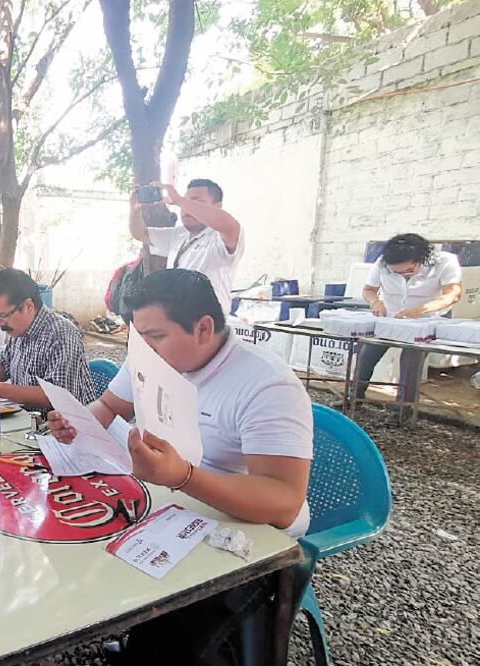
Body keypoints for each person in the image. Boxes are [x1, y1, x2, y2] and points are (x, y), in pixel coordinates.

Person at [47, 269, 313, 665]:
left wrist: (182, 477)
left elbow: (283, 501)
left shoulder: (266, 385)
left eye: (156, 336)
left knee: (172, 638)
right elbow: (106, 407)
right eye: (140, 338)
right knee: (74, 546)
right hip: (171, 502)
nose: (145, 349)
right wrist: (76, 423)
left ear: (204, 328)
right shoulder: (150, 357)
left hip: (251, 536)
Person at [0, 268, 93, 409]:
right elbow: (4, 366)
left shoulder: (62, 334)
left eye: (3, 316)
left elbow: (58, 397)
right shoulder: (18, 329)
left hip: (62, 426)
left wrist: (0, 390)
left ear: (28, 306)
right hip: (26, 419)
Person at [354, 233, 463, 408]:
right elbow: (369, 290)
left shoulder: (445, 262)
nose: (403, 276)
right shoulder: (382, 262)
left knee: (411, 362)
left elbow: (453, 294)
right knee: (367, 355)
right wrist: (375, 302)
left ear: (421, 259)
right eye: (396, 273)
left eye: (409, 271)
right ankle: (353, 398)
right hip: (390, 318)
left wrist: (419, 310)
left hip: (426, 320)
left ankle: (402, 410)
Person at [130, 179, 243, 314]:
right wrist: (134, 209)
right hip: (177, 323)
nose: (186, 209)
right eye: (185, 202)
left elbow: (231, 227)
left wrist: (179, 200)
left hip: (208, 327)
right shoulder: (178, 235)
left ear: (217, 206)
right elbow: (140, 234)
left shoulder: (219, 237)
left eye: (196, 202)